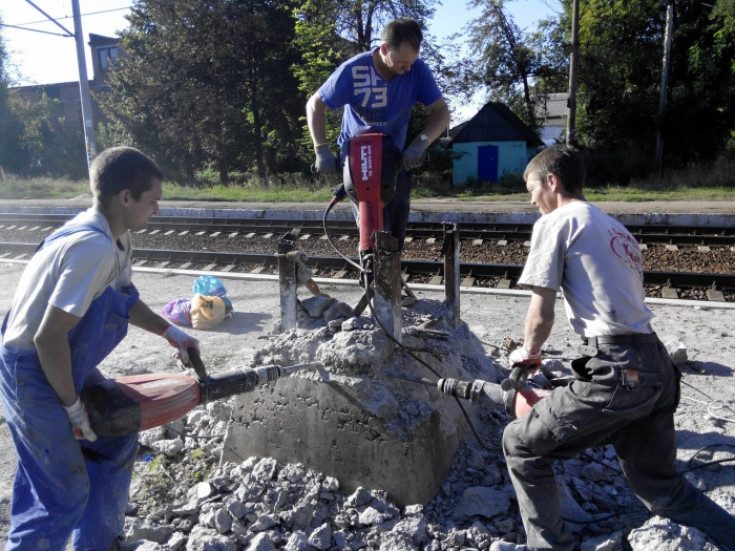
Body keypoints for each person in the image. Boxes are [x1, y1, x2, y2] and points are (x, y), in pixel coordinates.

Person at [490, 145, 735, 551]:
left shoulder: (557, 221)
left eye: (531, 189)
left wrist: (528, 353)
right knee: (657, 484)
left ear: (552, 182)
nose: (531, 200)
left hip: (620, 366)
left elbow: (541, 312)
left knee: (520, 443)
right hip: (656, 366)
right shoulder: (614, 227)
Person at [0, 146, 200, 550]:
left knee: (113, 434)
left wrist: (171, 333)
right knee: (59, 494)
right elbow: (48, 337)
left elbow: (122, 299)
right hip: (32, 368)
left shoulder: (117, 239)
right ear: (125, 197)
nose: (157, 209)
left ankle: (98, 543)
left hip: (59, 360)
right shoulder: (92, 248)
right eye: (153, 200)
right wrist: (72, 407)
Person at [306, 17, 450, 251]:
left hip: (395, 158)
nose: (408, 68)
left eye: (412, 62)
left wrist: (421, 143)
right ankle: (372, 279)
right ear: (384, 49)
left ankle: (390, 278)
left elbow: (441, 111)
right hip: (358, 157)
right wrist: (321, 150)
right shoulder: (354, 70)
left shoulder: (417, 71)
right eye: (403, 62)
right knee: (371, 231)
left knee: (394, 231)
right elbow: (315, 104)